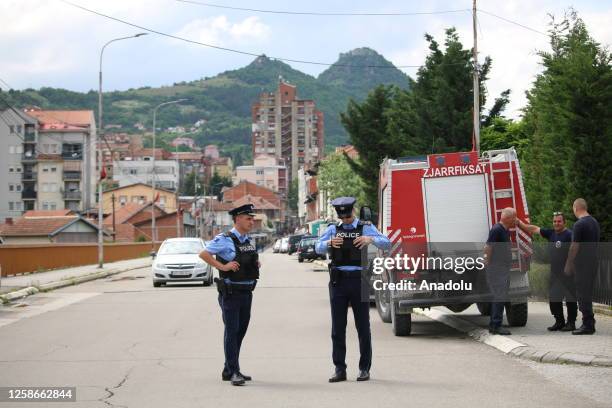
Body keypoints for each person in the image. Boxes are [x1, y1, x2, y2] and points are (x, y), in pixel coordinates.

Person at [315, 197, 391, 383]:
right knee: (338, 328)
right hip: (338, 281)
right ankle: (339, 369)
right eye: (343, 217)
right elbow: (317, 247)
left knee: (363, 327)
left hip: (359, 280)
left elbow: (387, 243)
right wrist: (329, 243)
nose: (346, 220)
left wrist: (370, 238)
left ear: (353, 211)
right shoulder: (333, 228)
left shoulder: (365, 226)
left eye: (348, 216)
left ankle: (364, 368)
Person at [199, 203, 260, 386]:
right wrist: (223, 267)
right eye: (248, 218)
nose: (252, 222)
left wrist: (254, 265)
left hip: (247, 292)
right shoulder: (224, 239)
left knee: (240, 332)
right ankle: (233, 371)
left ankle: (229, 369)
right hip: (231, 292)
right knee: (232, 332)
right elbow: (204, 254)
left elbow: (245, 261)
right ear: (238, 219)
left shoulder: (247, 240)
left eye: (252, 219)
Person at [518, 212, 576, 331]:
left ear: (564, 222)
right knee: (554, 298)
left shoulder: (570, 235)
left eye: (559, 221)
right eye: (554, 221)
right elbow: (534, 228)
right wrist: (520, 223)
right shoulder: (551, 233)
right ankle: (559, 321)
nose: (556, 223)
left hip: (568, 273)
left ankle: (571, 323)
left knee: (570, 299)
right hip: (555, 274)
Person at [564, 198, 600, 335]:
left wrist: (569, 263)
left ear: (576, 208)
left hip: (582, 264)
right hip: (593, 262)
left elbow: (574, 246)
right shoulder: (594, 222)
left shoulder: (579, 224)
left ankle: (588, 325)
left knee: (582, 294)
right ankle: (589, 322)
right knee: (587, 293)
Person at [483, 207, 516, 335]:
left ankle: (494, 324)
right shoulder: (497, 230)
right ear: (508, 218)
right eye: (514, 217)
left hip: (501, 268)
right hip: (496, 269)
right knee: (499, 296)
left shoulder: (504, 230)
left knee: (500, 296)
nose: (515, 220)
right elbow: (488, 247)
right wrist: (487, 262)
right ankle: (496, 325)